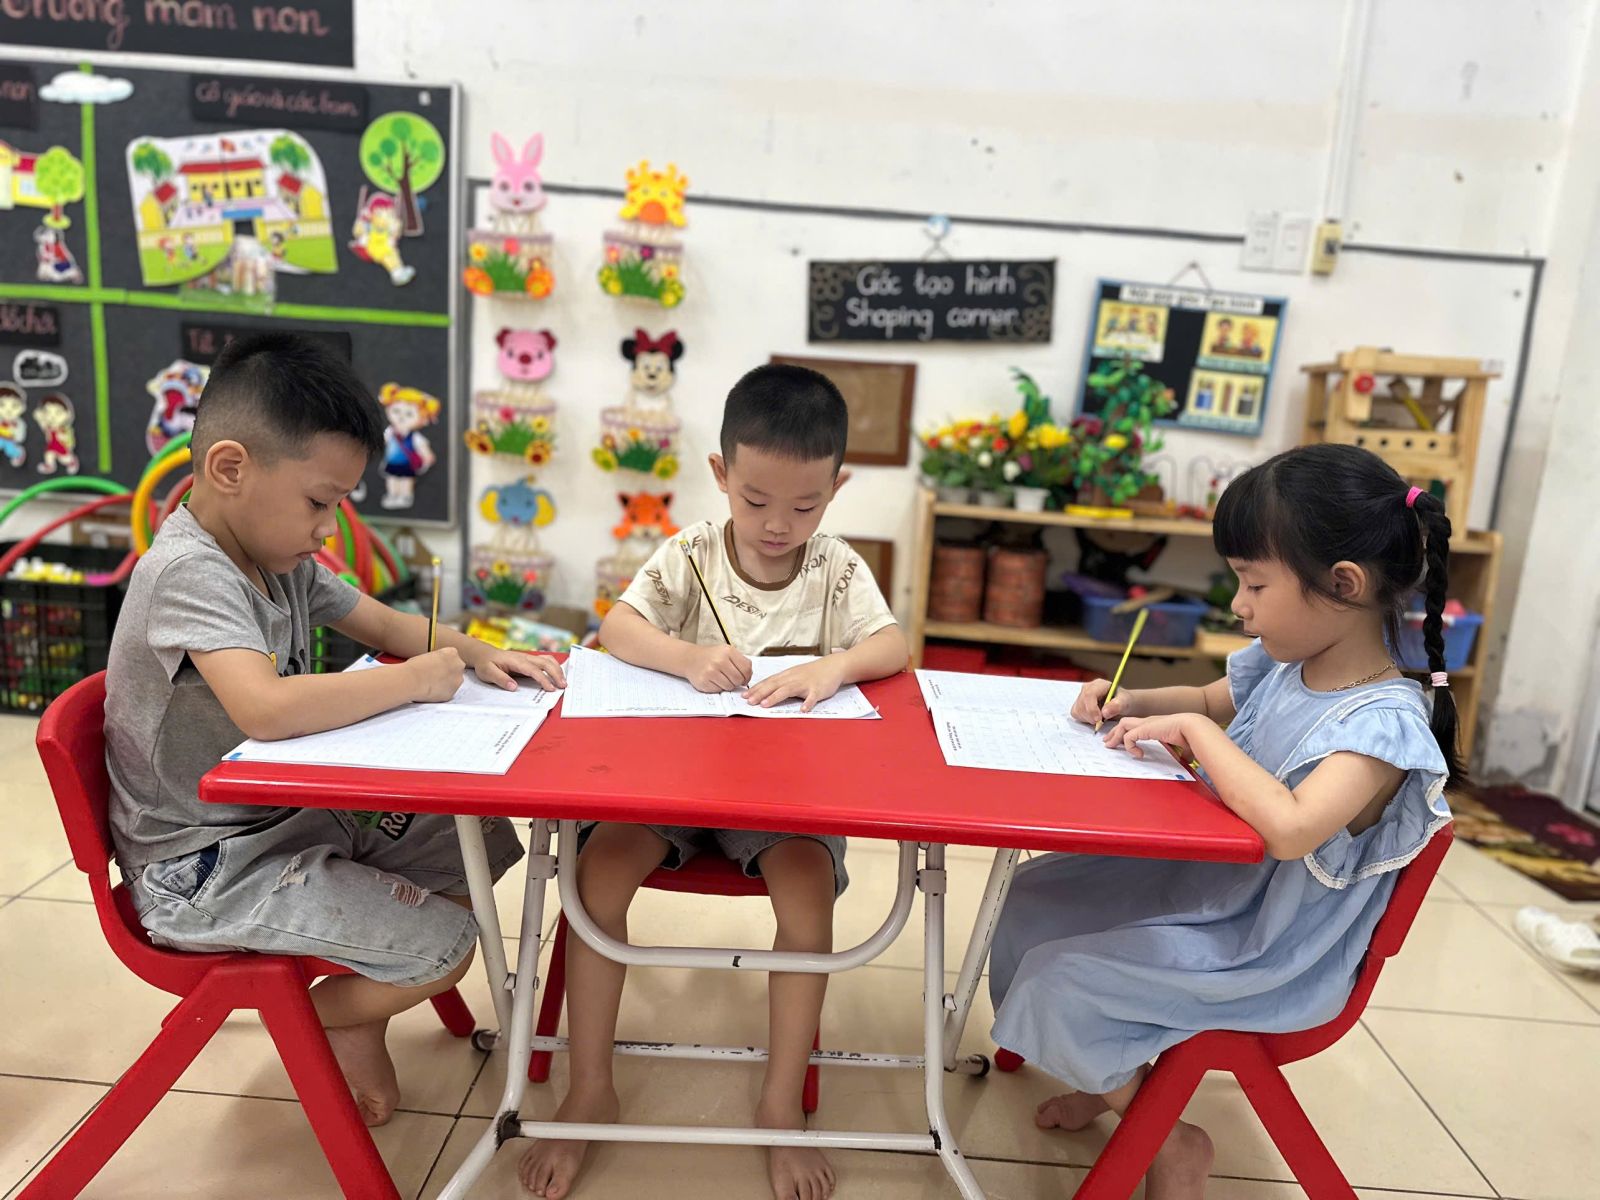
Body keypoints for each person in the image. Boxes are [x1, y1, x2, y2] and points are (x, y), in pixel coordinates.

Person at [104, 332, 566, 1127]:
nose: (328, 527)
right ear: (229, 468)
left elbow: (384, 623)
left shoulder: (275, 557)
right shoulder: (189, 572)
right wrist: (412, 681)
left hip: (280, 817)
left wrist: (480, 651)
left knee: (473, 838)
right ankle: (319, 1022)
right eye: (320, 502)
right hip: (201, 865)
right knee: (443, 950)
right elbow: (265, 708)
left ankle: (362, 1006)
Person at [989, 443, 1459, 1200]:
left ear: (1343, 584)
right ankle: (1112, 1078)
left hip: (1265, 948)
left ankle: (1169, 1138)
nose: (1239, 604)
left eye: (1254, 583)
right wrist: (1135, 702)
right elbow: (1212, 699)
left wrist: (1196, 735)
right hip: (1209, 889)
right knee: (1028, 899)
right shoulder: (1289, 660)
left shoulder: (1383, 725)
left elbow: (1293, 828)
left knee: (1058, 982)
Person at [519, 364, 908, 1200]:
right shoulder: (691, 553)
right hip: (669, 786)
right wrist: (688, 657)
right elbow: (618, 627)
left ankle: (778, 1105)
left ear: (836, 490)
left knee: (808, 894)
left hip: (782, 797)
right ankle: (592, 1087)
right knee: (595, 878)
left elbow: (892, 646)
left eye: (805, 506)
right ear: (721, 474)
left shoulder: (835, 568)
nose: (778, 525)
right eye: (756, 499)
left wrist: (834, 668)